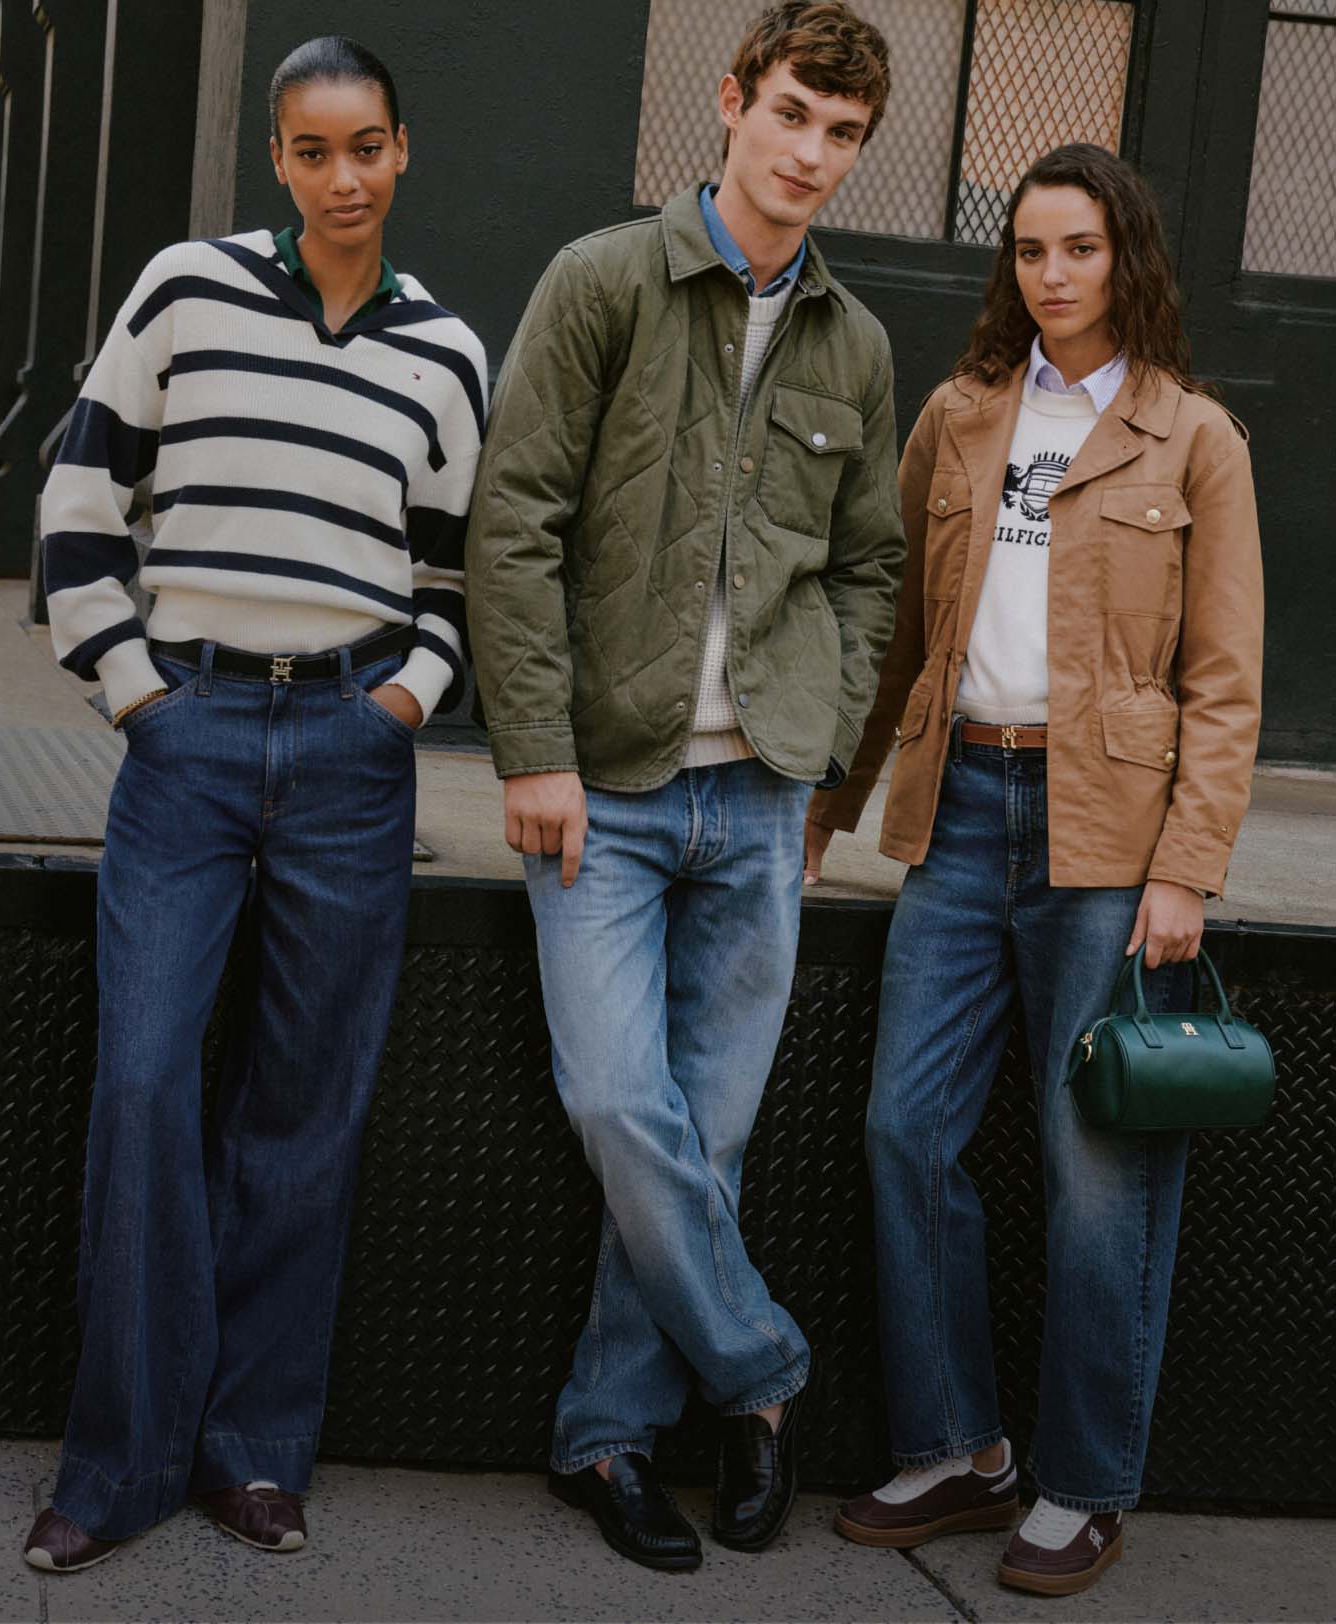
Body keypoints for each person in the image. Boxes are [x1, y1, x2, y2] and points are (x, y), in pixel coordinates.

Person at [22, 36, 486, 1571]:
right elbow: (79, 501)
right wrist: (139, 692)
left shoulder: (447, 351)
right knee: (148, 1084)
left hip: (352, 754)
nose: (339, 178)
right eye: (309, 151)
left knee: (303, 1111)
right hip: (193, 735)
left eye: (364, 147)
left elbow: (450, 581)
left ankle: (254, 1452)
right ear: (275, 161)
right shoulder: (183, 289)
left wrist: (402, 704)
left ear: (402, 151)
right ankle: (119, 1462)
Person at [466, 0, 904, 1575]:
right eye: (791, 113)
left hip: (761, 800)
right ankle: (763, 1379)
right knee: (615, 1102)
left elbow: (868, 572)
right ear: (730, 102)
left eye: (842, 134)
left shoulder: (855, 340)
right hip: (607, 789)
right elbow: (509, 525)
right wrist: (531, 750)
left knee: (698, 1146)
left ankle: (607, 1432)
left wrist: (822, 747)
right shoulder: (603, 280)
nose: (810, 154)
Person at [806, 144, 1263, 1597]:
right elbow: (895, 633)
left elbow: (1225, 681)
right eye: (1027, 250)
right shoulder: (957, 417)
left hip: (1108, 841)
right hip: (962, 813)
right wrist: (833, 796)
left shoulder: (1193, 439)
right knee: (901, 1129)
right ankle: (956, 1447)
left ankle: (1082, 1482)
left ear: (1124, 258)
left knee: (1096, 1179)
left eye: (1078, 249)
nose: (1051, 275)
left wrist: (1184, 868)